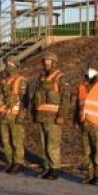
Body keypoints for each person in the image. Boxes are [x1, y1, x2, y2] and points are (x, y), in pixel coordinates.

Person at [32, 52, 67, 180]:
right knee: (44, 145)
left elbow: (65, 98)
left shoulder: (60, 77)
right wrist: (34, 114)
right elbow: (35, 98)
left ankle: (54, 169)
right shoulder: (41, 78)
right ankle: (46, 168)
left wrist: (61, 115)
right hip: (42, 116)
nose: (46, 63)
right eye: (45, 61)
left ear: (54, 62)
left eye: (49, 61)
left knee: (53, 144)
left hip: (53, 118)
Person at [0, 59, 28, 174]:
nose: (8, 66)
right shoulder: (4, 81)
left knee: (16, 140)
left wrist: (21, 115)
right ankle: (10, 161)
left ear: (16, 65)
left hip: (15, 115)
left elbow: (24, 101)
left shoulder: (21, 80)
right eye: (7, 64)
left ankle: (18, 162)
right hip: (4, 115)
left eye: (11, 63)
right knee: (5, 140)